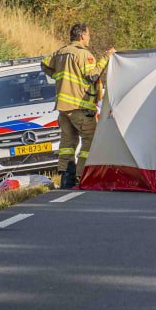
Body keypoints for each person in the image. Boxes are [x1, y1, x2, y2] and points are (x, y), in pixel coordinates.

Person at [41, 23, 113, 189]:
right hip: (80, 107)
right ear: (82, 36)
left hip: (63, 108)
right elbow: (92, 76)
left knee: (67, 144)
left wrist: (57, 76)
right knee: (90, 140)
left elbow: (44, 64)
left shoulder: (60, 52)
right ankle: (83, 175)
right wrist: (106, 57)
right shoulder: (83, 54)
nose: (89, 38)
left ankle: (67, 179)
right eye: (88, 35)